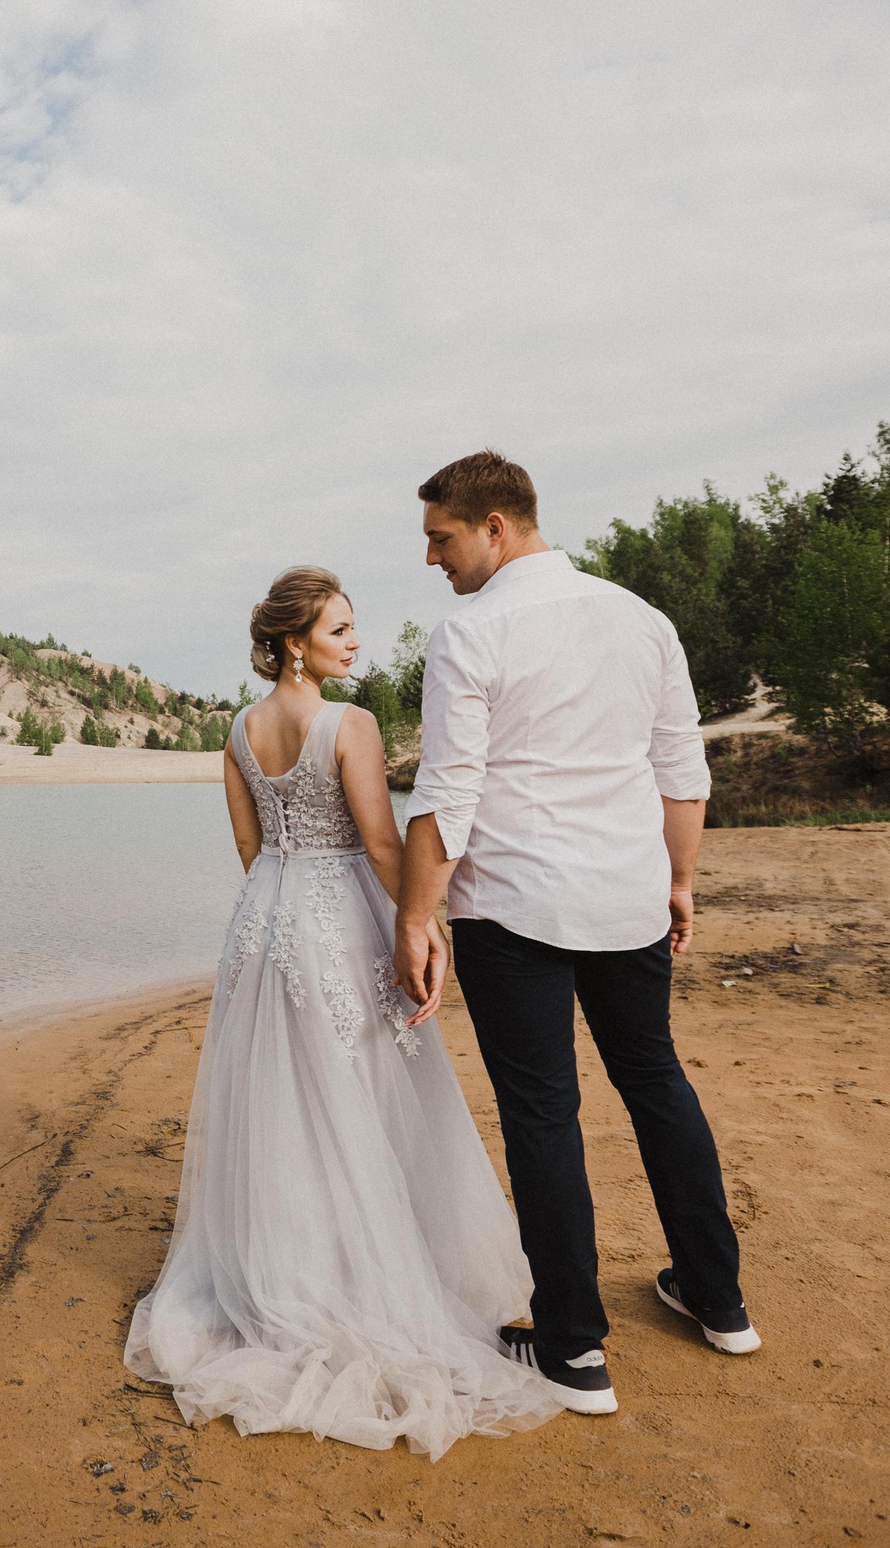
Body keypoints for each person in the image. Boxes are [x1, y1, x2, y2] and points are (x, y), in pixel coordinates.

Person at [123, 565, 563, 1459]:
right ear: (296, 642)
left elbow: (251, 846)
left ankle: (278, 1263)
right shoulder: (349, 725)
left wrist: (282, 914)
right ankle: (359, 1277)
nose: (355, 642)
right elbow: (378, 839)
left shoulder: (240, 732)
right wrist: (423, 924)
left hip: (264, 926)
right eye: (340, 629)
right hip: (338, 919)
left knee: (282, 1105)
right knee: (359, 1095)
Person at [394, 450, 760, 1419]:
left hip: (516, 907)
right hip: (627, 896)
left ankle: (571, 1348)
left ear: (495, 529)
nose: (433, 560)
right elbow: (681, 772)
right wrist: (679, 880)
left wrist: (414, 915)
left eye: (441, 539)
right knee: (655, 1079)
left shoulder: (470, 634)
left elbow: (447, 795)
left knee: (542, 1115)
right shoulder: (641, 620)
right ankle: (718, 1300)